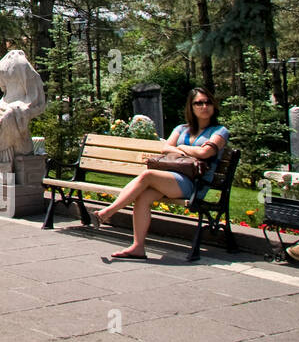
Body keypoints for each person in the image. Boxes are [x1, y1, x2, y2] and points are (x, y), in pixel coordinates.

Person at [96, 87, 228, 260]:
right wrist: (187, 151)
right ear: (191, 107)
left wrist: (181, 148)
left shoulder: (220, 131)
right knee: (143, 197)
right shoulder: (181, 128)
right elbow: (166, 148)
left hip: (196, 184)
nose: (204, 106)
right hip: (172, 178)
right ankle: (138, 247)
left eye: (208, 102)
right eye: (199, 103)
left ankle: (108, 213)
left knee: (147, 175)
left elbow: (206, 153)